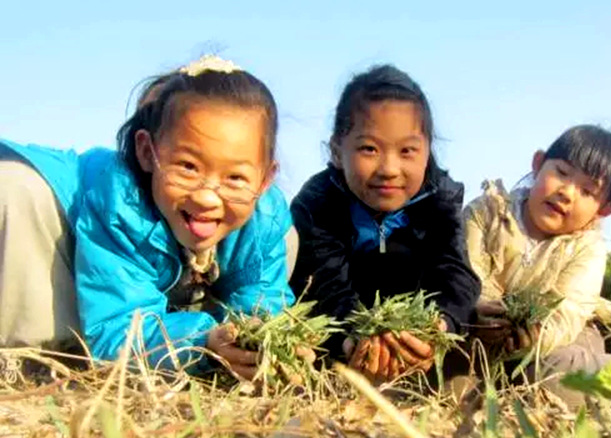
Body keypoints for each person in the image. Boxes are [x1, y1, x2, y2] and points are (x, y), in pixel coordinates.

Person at [0, 55, 295, 379]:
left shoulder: (265, 215)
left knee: (288, 238)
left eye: (235, 178)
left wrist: (260, 338)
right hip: (61, 255)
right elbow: (119, 323)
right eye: (187, 167)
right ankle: (29, 358)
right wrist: (202, 341)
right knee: (15, 188)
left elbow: (263, 296)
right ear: (146, 152)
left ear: (265, 180)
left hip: (145, 282)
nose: (207, 197)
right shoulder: (120, 206)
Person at [290, 64, 480, 383]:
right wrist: (353, 339)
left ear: (427, 151)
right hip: (341, 342)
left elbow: (456, 273)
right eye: (369, 149)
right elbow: (325, 284)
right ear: (337, 151)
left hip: (413, 336)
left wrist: (438, 328)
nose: (389, 168)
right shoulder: (318, 202)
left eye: (407, 151)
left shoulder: (441, 198)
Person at [464, 124, 611, 403]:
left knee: (550, 376)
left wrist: (536, 334)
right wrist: (483, 310)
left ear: (603, 210)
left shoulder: (587, 249)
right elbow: (466, 275)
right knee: (456, 386)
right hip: (478, 340)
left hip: (561, 344)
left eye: (588, 191)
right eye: (562, 173)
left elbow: (568, 312)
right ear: (538, 164)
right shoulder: (486, 213)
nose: (567, 192)